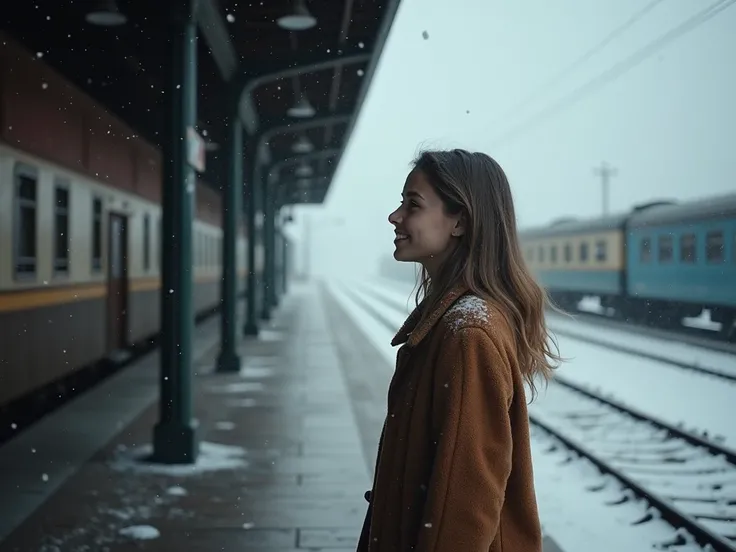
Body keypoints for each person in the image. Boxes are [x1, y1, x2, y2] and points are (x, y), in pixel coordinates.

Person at [357, 149, 561, 552]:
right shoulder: (453, 319)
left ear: (461, 222)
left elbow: (466, 503)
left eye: (412, 204)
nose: (395, 217)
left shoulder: (467, 332)